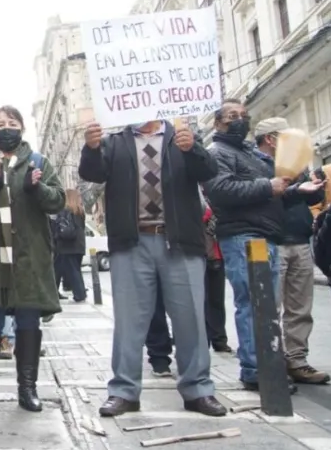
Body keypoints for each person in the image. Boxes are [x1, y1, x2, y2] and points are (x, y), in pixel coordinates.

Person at [79, 117, 226, 417]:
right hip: (132, 243)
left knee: (190, 320)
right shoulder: (114, 141)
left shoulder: (181, 135)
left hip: (180, 241)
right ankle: (124, 391)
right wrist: (91, 148)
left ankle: (198, 389)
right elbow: (91, 173)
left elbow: (208, 171)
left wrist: (192, 148)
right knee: (129, 322)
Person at [204, 104, 323, 393]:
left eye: (244, 116)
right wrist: (269, 186)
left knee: (264, 306)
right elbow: (221, 191)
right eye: (233, 116)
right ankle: (256, 370)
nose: (241, 120)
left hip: (267, 236)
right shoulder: (217, 153)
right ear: (218, 122)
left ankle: (267, 366)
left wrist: (297, 190)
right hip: (243, 237)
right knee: (253, 305)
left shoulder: (248, 154)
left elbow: (274, 191)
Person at [0, 106, 65, 413]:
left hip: (28, 256)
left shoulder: (38, 162)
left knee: (28, 319)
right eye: (1, 124)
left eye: (13, 123)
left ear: (22, 128)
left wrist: (37, 188)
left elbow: (58, 200)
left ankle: (28, 389)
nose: (7, 128)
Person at [253, 117, 328, 384]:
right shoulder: (255, 163)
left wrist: (316, 188)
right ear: (270, 139)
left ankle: (297, 360)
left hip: (299, 239)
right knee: (269, 306)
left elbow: (312, 198)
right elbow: (263, 197)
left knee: (300, 307)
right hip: (272, 242)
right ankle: (270, 363)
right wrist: (293, 187)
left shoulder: (296, 162)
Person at [202, 200, 231, 353]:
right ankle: (204, 338)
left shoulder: (215, 194)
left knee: (216, 298)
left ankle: (219, 338)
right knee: (201, 299)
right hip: (199, 251)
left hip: (216, 252)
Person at [53, 190, 87, 303]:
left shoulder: (65, 211)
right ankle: (56, 292)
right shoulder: (80, 211)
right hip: (79, 246)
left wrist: (56, 236)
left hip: (67, 246)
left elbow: (59, 227)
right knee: (72, 270)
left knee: (70, 271)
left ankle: (79, 294)